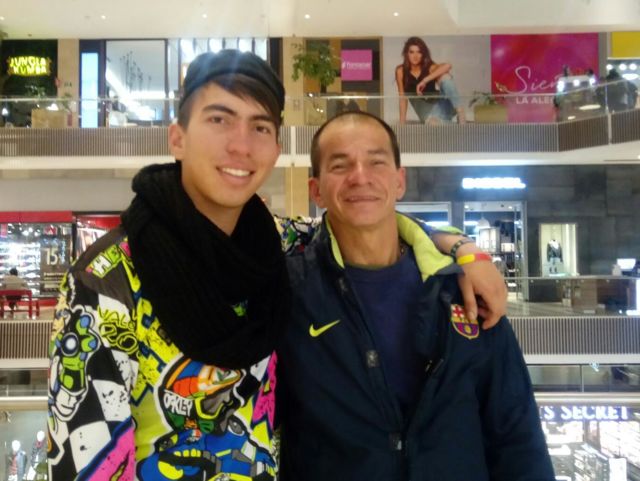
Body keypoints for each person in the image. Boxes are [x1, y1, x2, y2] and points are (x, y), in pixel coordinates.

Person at [47, 50, 505, 480]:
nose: (241, 145)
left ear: (276, 147)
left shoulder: (275, 242)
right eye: (219, 119)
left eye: (260, 127)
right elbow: (89, 463)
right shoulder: (106, 281)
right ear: (178, 138)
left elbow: (365, 219)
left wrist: (465, 248)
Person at [277, 111, 555, 481]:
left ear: (399, 181)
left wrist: (465, 251)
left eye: (376, 162)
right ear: (316, 190)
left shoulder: (460, 289)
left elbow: (516, 434)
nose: (360, 176)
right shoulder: (289, 294)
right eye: (340, 166)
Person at [395, 36, 466, 124]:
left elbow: (448, 66)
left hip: (443, 105)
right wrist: (402, 123)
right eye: (412, 52)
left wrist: (424, 81)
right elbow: (402, 98)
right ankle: (460, 125)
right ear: (407, 54)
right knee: (434, 123)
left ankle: (460, 112)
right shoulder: (400, 71)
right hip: (427, 113)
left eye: (419, 52)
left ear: (423, 54)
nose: (415, 56)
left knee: (445, 76)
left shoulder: (429, 67)